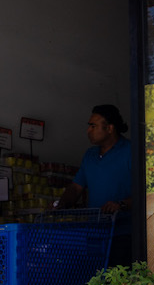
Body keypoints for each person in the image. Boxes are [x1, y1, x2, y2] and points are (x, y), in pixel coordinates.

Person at [54, 104, 133, 263]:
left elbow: (148, 191)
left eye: (93, 126)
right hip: (95, 233)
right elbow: (76, 188)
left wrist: (122, 205)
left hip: (124, 234)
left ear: (110, 128)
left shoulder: (131, 150)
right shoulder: (89, 155)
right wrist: (60, 206)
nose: (88, 131)